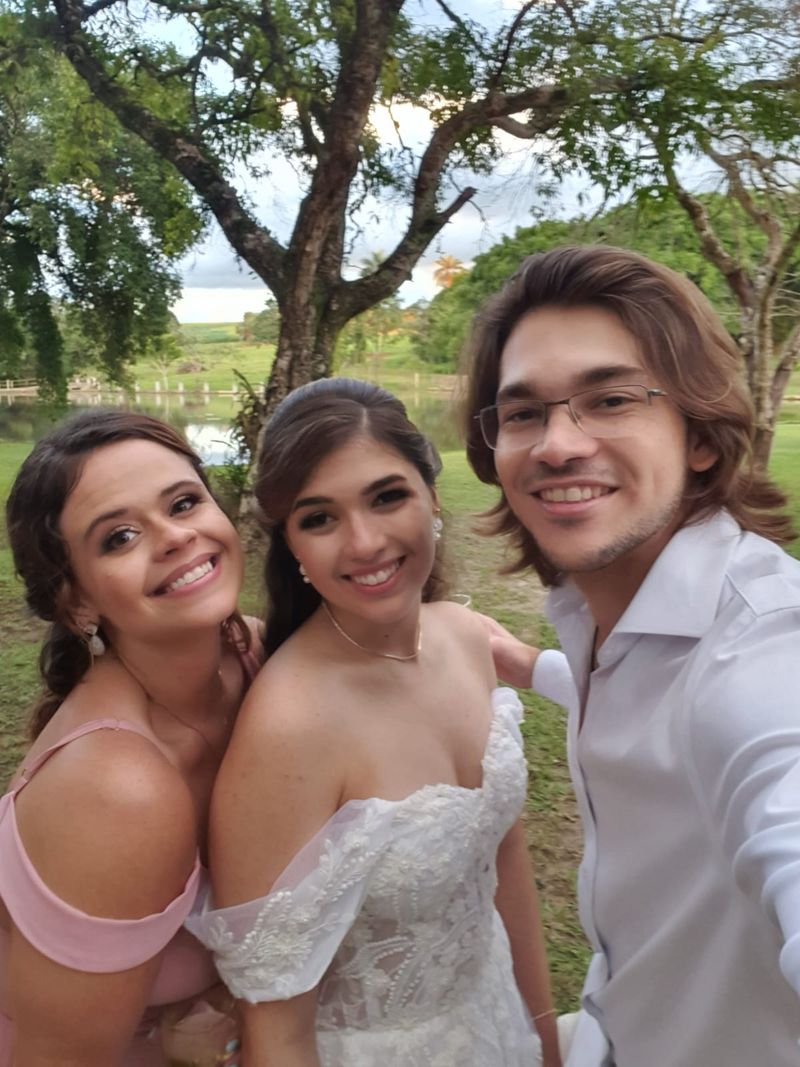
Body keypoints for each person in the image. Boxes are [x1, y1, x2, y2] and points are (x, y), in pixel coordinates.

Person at [463, 243, 800, 1067]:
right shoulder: (603, 615)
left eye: (610, 399)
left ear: (700, 436)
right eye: (523, 412)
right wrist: (528, 663)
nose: (558, 444)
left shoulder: (761, 655)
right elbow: (641, 696)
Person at [188, 378, 565, 1067]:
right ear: (291, 546)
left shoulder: (465, 638)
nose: (364, 542)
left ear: (431, 496)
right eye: (319, 518)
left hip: (492, 1020)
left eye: (387, 497)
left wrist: (543, 1040)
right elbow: (276, 1026)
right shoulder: (290, 727)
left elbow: (502, 862)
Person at [0, 410, 260, 1066]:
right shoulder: (115, 791)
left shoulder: (254, 656)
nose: (175, 536)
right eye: (119, 537)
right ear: (77, 602)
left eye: (183, 502)